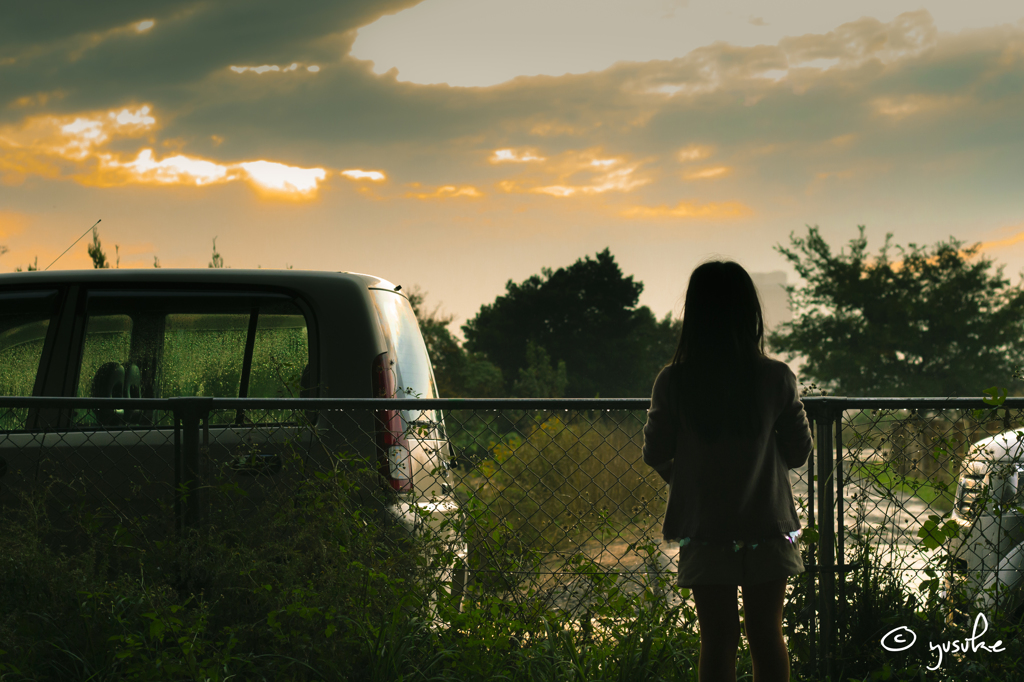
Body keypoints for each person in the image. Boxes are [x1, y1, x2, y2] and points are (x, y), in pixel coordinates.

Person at [643, 259, 813, 682]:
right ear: (749, 313)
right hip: (767, 527)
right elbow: (798, 453)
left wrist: (691, 480)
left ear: (694, 314)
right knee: (766, 634)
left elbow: (655, 451)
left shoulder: (673, 382)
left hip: (705, 530)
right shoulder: (776, 378)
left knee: (717, 638)